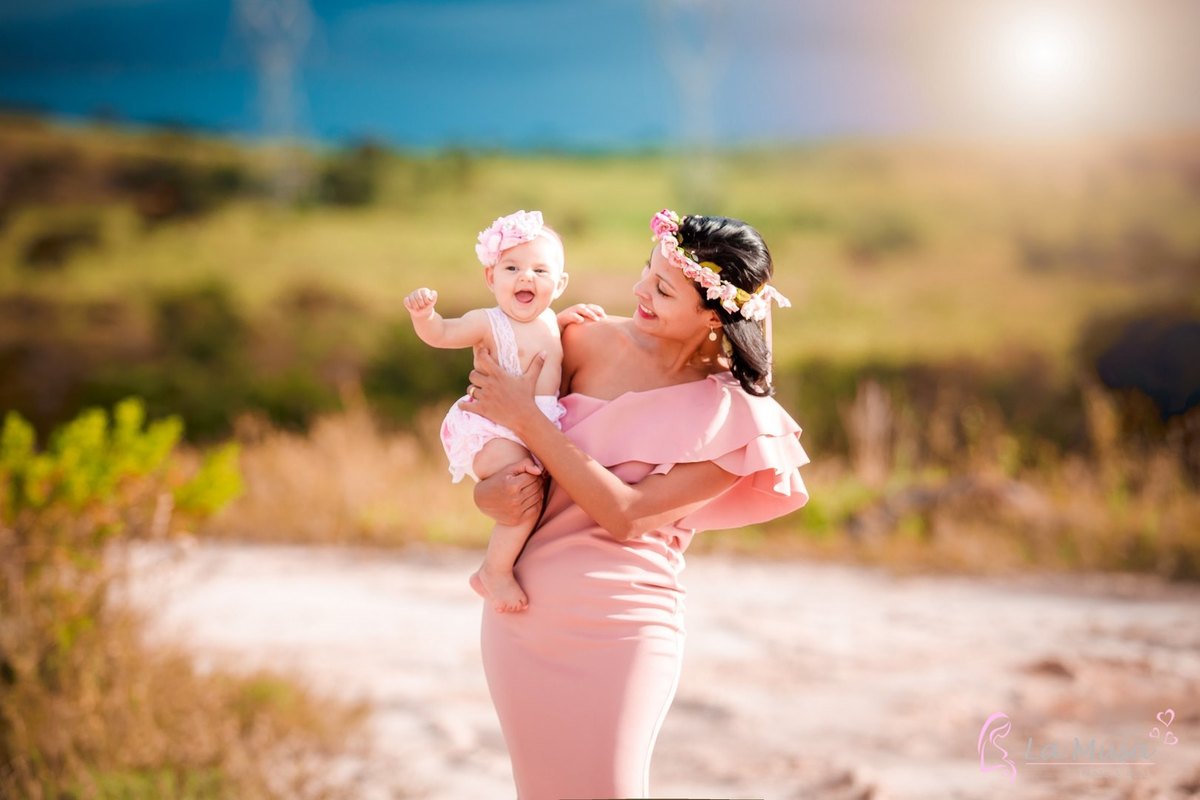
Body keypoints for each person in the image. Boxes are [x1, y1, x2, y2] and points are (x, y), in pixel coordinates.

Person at [464, 208, 810, 800]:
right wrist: (487, 491)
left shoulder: (738, 417)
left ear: (713, 314)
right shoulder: (579, 339)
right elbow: (494, 443)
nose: (638, 291)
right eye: (645, 273)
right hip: (524, 616)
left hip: (627, 626)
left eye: (662, 288)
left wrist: (526, 415)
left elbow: (626, 514)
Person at [403, 209, 604, 613]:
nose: (526, 277)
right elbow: (442, 335)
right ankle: (494, 570)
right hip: (492, 428)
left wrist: (564, 322)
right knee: (522, 490)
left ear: (559, 284)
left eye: (540, 271)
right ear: (491, 278)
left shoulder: (549, 321)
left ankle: (528, 561)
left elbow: (545, 342)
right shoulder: (486, 322)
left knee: (548, 490)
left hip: (533, 426)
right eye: (512, 267)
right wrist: (425, 317)